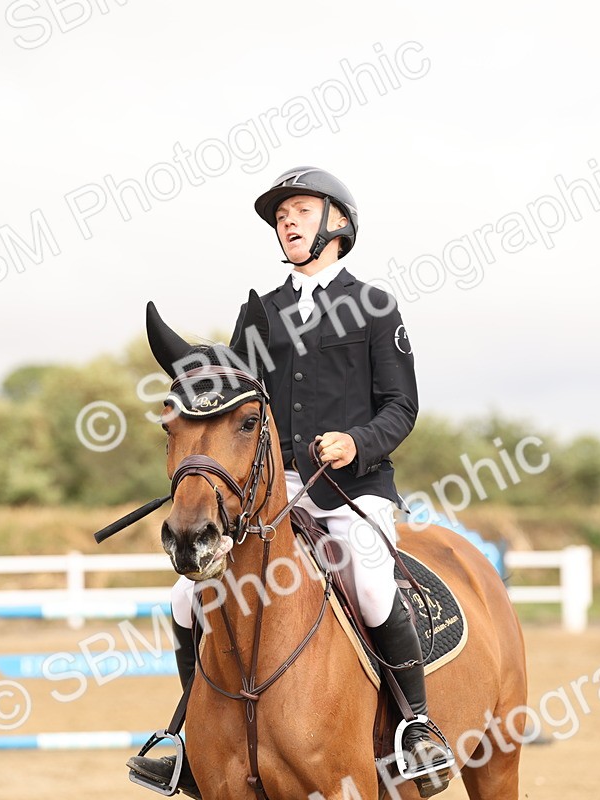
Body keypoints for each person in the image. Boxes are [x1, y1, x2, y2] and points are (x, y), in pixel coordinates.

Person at [128, 167, 454, 796]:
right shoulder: (261, 311)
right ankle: (184, 737)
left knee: (368, 574)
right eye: (281, 215)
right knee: (182, 598)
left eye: (300, 209)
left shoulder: (376, 306)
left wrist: (357, 442)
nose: (287, 220)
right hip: (272, 495)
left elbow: (401, 405)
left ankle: (416, 724)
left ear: (338, 222)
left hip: (352, 490)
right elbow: (233, 397)